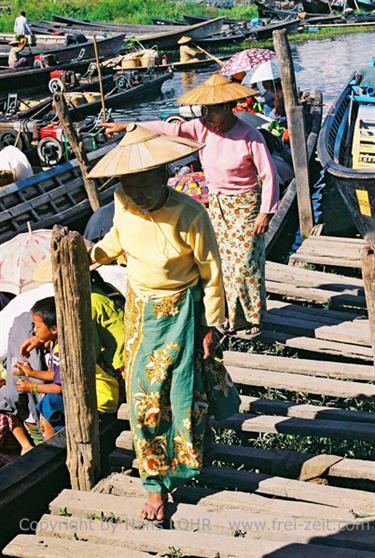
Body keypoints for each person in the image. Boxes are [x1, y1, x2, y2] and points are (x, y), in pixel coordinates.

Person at [88, 123, 240, 522]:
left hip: (184, 307)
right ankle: (154, 483)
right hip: (141, 308)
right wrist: (92, 255)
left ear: (163, 175)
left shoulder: (190, 214)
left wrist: (211, 326)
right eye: (129, 183)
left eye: (144, 182)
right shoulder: (123, 202)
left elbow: (212, 272)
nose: (137, 192)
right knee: (145, 396)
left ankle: (192, 449)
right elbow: (120, 238)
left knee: (183, 390)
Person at [102, 74, 280, 337]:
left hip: (245, 204)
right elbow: (168, 128)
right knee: (223, 262)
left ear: (228, 107)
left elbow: (269, 175)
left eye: (212, 109)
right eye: (204, 109)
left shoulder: (249, 135)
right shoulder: (201, 128)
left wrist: (265, 212)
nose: (207, 114)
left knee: (246, 262)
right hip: (217, 204)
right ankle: (230, 316)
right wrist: (128, 126)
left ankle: (252, 317)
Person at [15, 298, 64, 440]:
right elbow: (55, 375)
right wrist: (31, 373)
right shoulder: (55, 343)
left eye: (37, 326)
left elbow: (58, 387)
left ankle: (51, 445)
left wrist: (32, 387)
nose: (34, 331)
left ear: (54, 329)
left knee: (48, 402)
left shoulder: (61, 350)